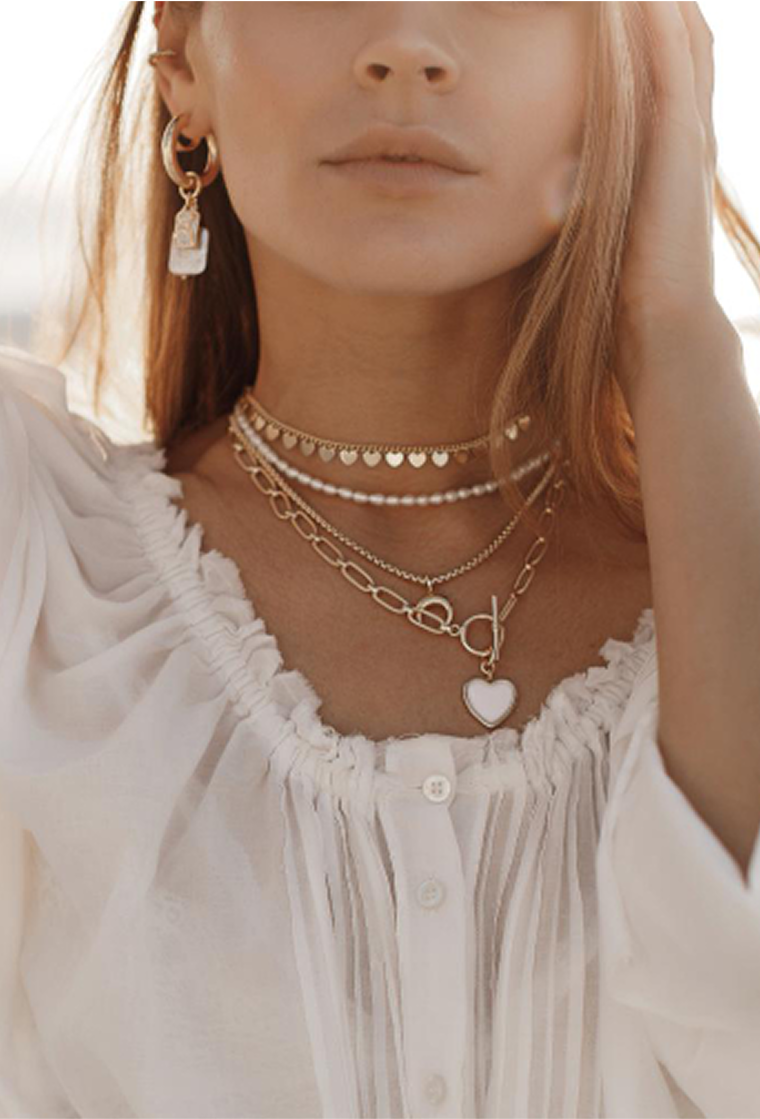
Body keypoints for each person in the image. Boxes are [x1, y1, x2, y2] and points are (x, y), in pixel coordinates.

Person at [1, 2, 759, 1117]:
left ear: (628, 70)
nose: (405, 41)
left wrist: (679, 326)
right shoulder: (43, 568)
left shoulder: (720, 572)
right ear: (179, 60)